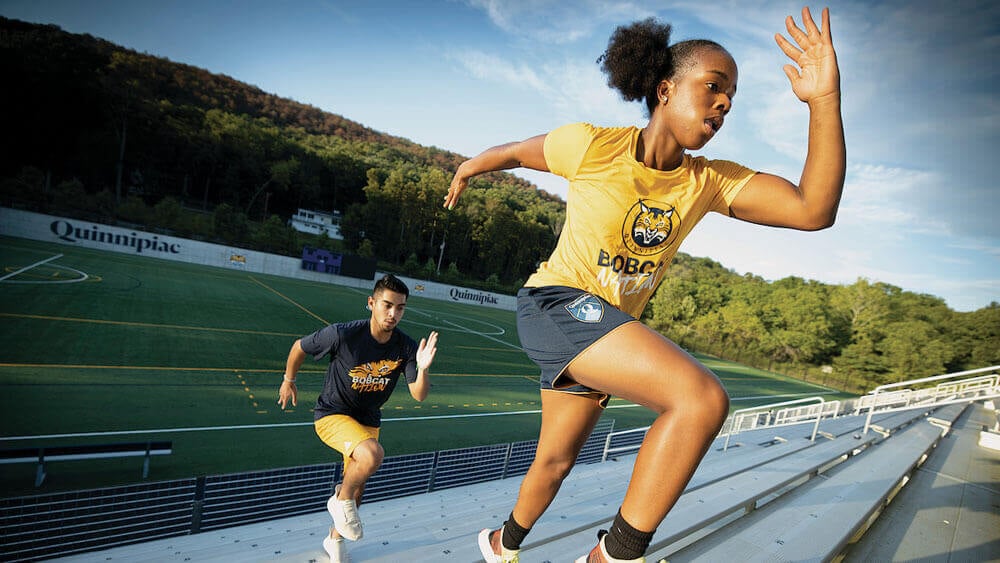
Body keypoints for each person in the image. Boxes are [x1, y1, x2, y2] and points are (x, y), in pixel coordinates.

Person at [444, 7, 844, 563]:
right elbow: (515, 152)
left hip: (606, 329)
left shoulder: (708, 180)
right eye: (713, 88)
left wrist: (823, 100)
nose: (724, 104)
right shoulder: (590, 145)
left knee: (554, 463)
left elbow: (812, 209)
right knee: (700, 399)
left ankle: (500, 544)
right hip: (557, 305)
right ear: (664, 89)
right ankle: (614, 556)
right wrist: (469, 167)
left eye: (731, 97)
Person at [277, 273, 439, 563]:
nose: (393, 314)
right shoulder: (343, 334)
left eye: (400, 308)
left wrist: (423, 369)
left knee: (359, 491)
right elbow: (299, 347)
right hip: (332, 415)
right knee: (372, 456)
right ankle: (339, 499)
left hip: (367, 421)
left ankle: (334, 541)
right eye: (387, 305)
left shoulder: (406, 347)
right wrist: (289, 380)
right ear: (371, 303)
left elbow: (419, 395)